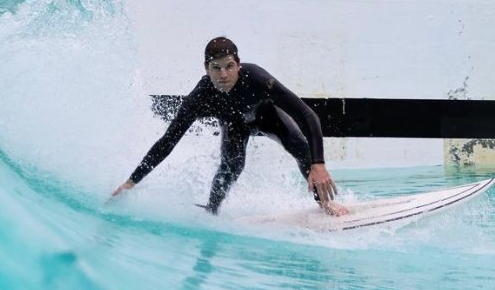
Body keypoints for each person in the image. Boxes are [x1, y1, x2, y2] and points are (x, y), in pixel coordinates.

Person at [111, 37, 349, 216]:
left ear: (238, 65)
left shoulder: (257, 78)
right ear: (206, 69)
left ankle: (325, 204)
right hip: (235, 125)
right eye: (216, 68)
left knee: (300, 146)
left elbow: (306, 114)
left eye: (229, 67)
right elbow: (168, 141)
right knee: (232, 166)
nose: (223, 75)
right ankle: (212, 211)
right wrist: (132, 181)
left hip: (269, 118)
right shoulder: (200, 97)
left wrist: (319, 164)